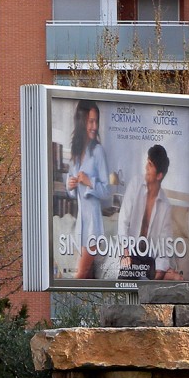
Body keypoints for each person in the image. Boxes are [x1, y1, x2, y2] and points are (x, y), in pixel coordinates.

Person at [117, 144, 183, 281]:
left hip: (148, 260)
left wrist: (157, 277)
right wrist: (125, 252)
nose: (146, 168)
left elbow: (164, 245)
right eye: (147, 162)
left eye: (150, 165)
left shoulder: (164, 205)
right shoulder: (135, 184)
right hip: (129, 252)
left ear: (159, 175)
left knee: (174, 278)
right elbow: (123, 221)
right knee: (125, 274)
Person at [66, 99, 109, 279]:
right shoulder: (75, 153)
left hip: (93, 226)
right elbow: (72, 190)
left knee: (80, 275)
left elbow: (106, 191)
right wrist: (70, 185)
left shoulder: (98, 151)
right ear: (82, 122)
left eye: (96, 121)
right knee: (89, 277)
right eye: (90, 121)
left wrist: (89, 181)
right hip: (80, 226)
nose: (94, 126)